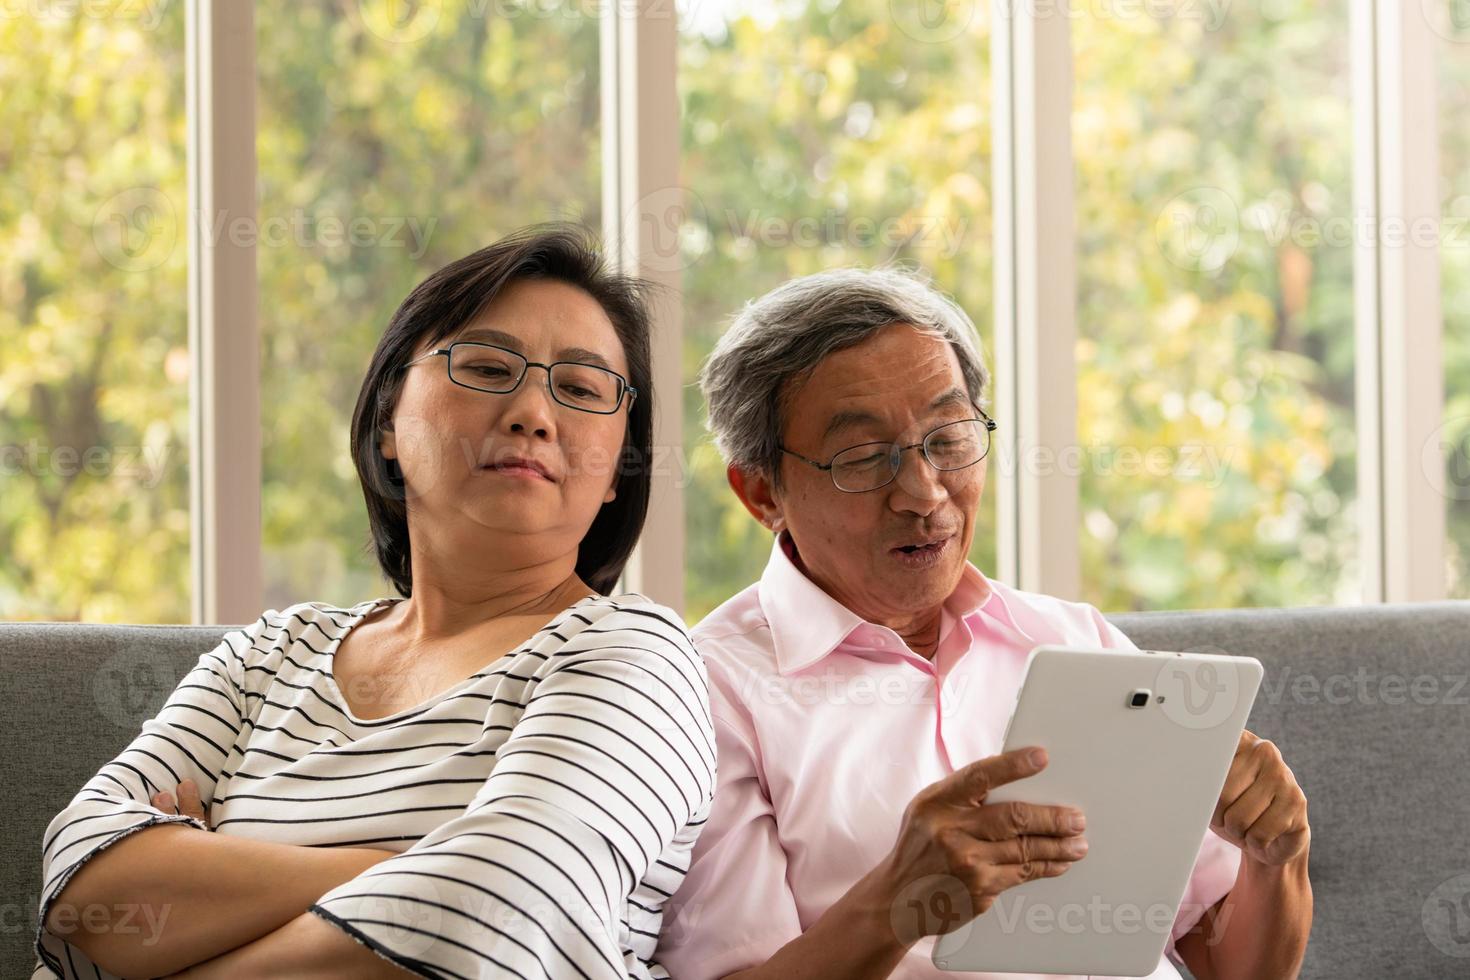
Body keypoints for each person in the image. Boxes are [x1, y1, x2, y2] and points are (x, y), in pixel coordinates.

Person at [35, 225, 715, 980]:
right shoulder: (270, 653)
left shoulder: (631, 654)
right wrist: (429, 867)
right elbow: (83, 894)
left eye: (582, 389)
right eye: (488, 367)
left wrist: (204, 884)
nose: (533, 413)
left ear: (621, 466)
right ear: (390, 419)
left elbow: (501, 910)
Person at [657, 267, 1312, 980]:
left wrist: (1275, 860)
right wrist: (893, 904)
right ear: (760, 492)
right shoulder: (707, 693)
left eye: (948, 438)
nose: (924, 493)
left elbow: (1231, 967)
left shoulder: (1075, 642)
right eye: (865, 458)